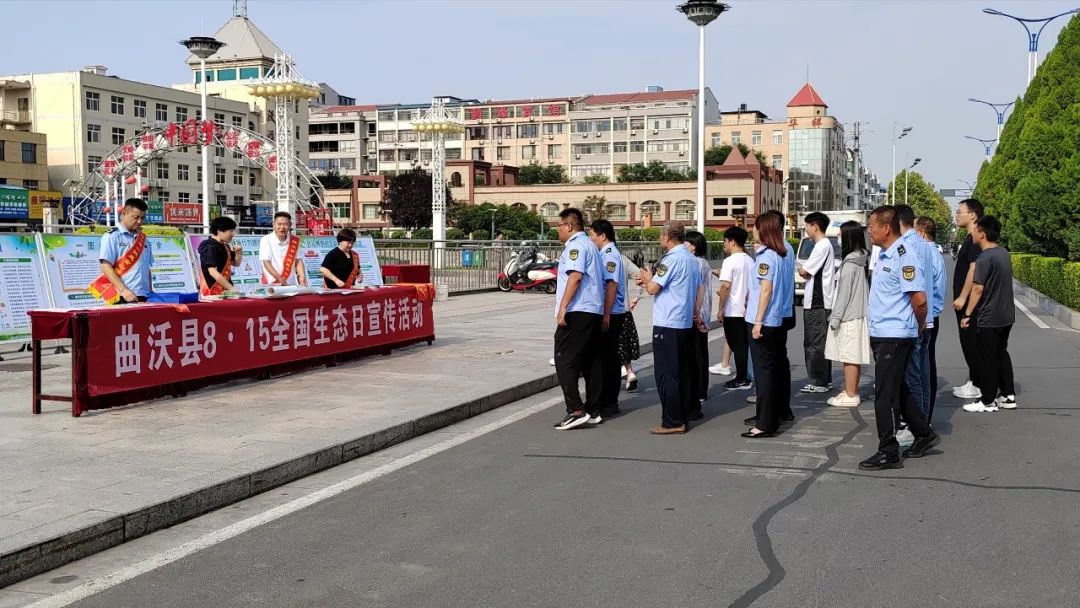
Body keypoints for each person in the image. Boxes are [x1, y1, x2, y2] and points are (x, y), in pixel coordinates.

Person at [860, 206, 940, 471]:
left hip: (894, 336)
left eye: (872, 226)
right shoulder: (886, 255)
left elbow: (919, 300)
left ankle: (888, 451)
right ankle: (924, 433)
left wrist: (918, 326)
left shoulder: (903, 256)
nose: (869, 230)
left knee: (884, 396)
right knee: (900, 389)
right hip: (883, 333)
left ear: (886, 228)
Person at [637, 222, 703, 434]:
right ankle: (686, 412)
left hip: (668, 321)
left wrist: (647, 277)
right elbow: (697, 287)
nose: (660, 239)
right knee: (683, 371)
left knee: (667, 374)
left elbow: (653, 288)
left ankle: (673, 420)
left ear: (667, 237)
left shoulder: (672, 259)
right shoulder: (692, 259)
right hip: (684, 321)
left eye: (660, 235)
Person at [552, 208, 605, 430]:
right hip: (593, 310)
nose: (557, 230)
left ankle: (575, 409)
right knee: (590, 360)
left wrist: (563, 306)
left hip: (578, 310)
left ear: (569, 226)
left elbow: (575, 276)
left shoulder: (576, 246)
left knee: (564, 359)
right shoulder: (590, 245)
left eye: (559, 226)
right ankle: (594, 409)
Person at [742, 212, 792, 438]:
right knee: (770, 371)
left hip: (763, 320)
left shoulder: (766, 257)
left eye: (755, 226)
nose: (753, 230)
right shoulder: (778, 254)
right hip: (773, 319)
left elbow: (766, 289)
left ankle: (765, 424)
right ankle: (769, 417)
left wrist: (758, 321)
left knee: (764, 375)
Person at [961, 216, 1017, 412]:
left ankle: (987, 400)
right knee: (1001, 353)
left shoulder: (984, 258)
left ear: (982, 234)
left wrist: (967, 314)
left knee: (988, 358)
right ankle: (1008, 395)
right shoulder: (1003, 252)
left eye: (976, 230)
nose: (973, 233)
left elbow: (978, 289)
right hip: (1006, 315)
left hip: (990, 316)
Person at [894, 205, 933, 444]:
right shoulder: (923, 244)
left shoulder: (906, 246)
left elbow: (915, 293)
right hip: (924, 317)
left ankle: (915, 427)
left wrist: (920, 319)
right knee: (921, 373)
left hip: (913, 320)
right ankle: (922, 422)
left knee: (911, 376)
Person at [825, 221, 871, 407]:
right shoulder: (861, 258)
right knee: (854, 357)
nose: (838, 237)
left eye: (841, 234)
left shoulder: (850, 264)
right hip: (858, 312)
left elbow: (843, 294)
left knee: (849, 357)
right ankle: (851, 390)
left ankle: (851, 395)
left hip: (848, 315)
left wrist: (835, 318)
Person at [589, 219, 626, 418]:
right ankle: (606, 400)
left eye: (592, 235)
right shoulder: (604, 253)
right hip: (610, 311)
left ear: (602, 236)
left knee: (608, 359)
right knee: (607, 358)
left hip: (612, 313)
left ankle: (609, 401)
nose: (590, 239)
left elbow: (611, 285)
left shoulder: (609, 255)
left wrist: (606, 314)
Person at [797, 212, 836, 393]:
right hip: (818, 301)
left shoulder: (822, 246)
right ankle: (824, 380)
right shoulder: (823, 245)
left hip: (817, 301)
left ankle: (818, 381)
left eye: (807, 225)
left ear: (815, 226)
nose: (806, 229)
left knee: (815, 343)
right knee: (819, 342)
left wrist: (801, 268)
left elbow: (805, 271)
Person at [90, 198, 154, 304]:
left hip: (144, 295)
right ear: (124, 213)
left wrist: (150, 291)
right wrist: (123, 290)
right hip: (122, 295)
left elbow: (146, 267)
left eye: (142, 218)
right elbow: (105, 266)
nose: (139, 221)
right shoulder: (112, 236)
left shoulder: (143, 238)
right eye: (136, 217)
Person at [952, 198, 985, 400]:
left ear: (972, 215)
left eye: (960, 212)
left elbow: (973, 269)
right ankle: (974, 380)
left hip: (969, 303)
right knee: (968, 343)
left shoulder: (974, 238)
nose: (956, 215)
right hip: (965, 302)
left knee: (971, 343)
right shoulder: (969, 238)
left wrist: (963, 297)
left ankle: (979, 384)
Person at [915, 216, 948, 421]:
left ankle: (924, 416)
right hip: (931, 315)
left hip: (927, 317)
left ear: (921, 233)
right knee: (927, 364)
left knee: (924, 367)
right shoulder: (935, 253)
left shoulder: (926, 254)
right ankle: (925, 414)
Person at [713, 226, 754, 390]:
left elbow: (725, 286)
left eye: (725, 241)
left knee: (737, 346)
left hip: (733, 310)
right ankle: (745, 375)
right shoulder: (750, 260)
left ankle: (742, 378)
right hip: (747, 309)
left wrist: (720, 309)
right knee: (744, 345)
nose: (724, 244)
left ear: (732, 242)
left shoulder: (730, 261)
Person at [684, 230, 713, 409]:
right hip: (704, 311)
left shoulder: (694, 263)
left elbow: (697, 290)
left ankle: (699, 390)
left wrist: (696, 313)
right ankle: (702, 389)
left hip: (697, 312)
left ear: (693, 247)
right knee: (701, 351)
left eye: (686, 244)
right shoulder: (705, 263)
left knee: (696, 354)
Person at [259, 211, 307, 287]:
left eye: (285, 224)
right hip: (272, 283)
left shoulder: (294, 240)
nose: (282, 227)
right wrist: (280, 280)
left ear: (290, 225)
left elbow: (298, 261)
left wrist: (302, 276)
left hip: (290, 284)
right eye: (279, 224)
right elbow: (266, 263)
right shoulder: (266, 240)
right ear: (273, 224)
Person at [198, 216, 243, 296]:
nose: (233, 234)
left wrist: (238, 253)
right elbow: (212, 272)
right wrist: (231, 288)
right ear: (219, 231)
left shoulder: (225, 246)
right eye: (231, 231)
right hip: (213, 291)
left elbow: (236, 263)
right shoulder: (210, 246)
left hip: (225, 291)